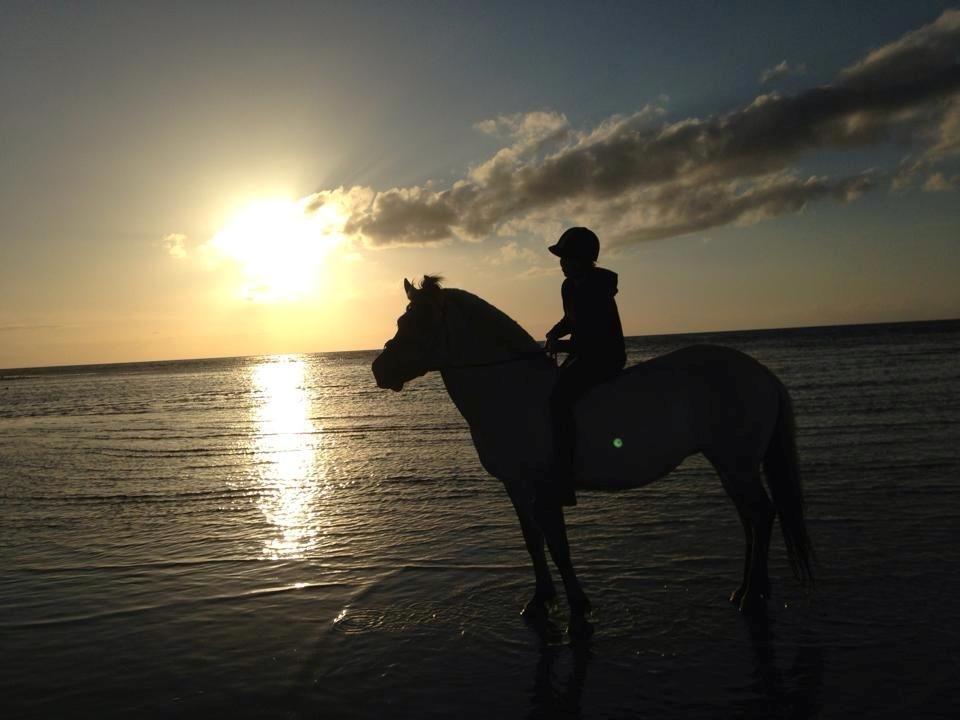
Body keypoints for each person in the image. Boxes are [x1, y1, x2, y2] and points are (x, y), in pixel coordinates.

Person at [544, 227, 626, 506]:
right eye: (562, 258)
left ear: (582, 259)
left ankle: (565, 479)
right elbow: (571, 319)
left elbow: (593, 337)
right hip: (583, 354)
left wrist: (563, 347)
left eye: (566, 258)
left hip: (605, 356)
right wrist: (555, 333)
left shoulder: (597, 288)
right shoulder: (569, 286)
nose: (562, 263)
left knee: (558, 401)